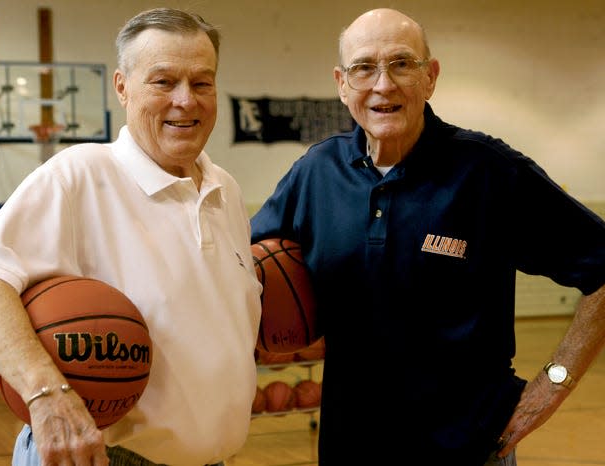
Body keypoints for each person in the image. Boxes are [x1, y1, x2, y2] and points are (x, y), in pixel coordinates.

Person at [250, 8, 605, 466]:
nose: (383, 85)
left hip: (467, 448)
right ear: (342, 84)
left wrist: (553, 383)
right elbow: (245, 268)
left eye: (401, 64)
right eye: (364, 68)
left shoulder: (488, 172)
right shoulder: (315, 173)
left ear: (430, 76)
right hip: (351, 444)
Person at [0, 8, 262, 466]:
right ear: (122, 87)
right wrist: (46, 393)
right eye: (163, 82)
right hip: (105, 456)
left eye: (202, 83)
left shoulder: (225, 189)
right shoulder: (80, 174)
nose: (185, 100)